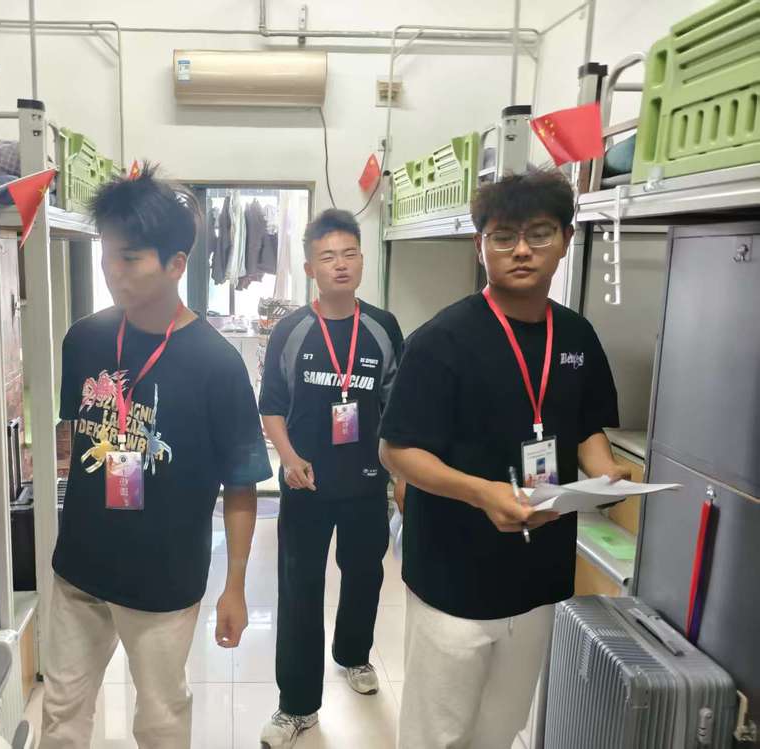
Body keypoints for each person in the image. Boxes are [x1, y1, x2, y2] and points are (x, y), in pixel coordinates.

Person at [379, 169, 631, 749]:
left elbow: (585, 426)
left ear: (566, 240)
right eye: (503, 236)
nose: (521, 250)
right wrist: (482, 492)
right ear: (480, 245)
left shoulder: (577, 336)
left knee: (502, 725)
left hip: (539, 573)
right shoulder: (441, 340)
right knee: (438, 733)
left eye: (539, 233)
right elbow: (398, 450)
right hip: (453, 577)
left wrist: (604, 473)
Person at [41, 165, 272, 749]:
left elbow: (240, 487)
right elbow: (77, 437)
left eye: (130, 258)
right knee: (62, 711)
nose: (112, 271)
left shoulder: (217, 364)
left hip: (164, 579)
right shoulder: (84, 339)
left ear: (176, 264)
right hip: (80, 569)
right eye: (107, 255)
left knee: (161, 717)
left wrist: (235, 585)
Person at [258, 209, 405, 748]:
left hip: (367, 482)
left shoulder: (383, 327)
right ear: (310, 268)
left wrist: (399, 476)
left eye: (348, 254)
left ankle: (354, 654)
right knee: (299, 588)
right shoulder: (292, 330)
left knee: (365, 574)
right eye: (327, 257)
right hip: (306, 484)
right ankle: (296, 705)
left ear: (362, 261)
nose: (339, 265)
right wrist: (289, 458)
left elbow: (396, 408)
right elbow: (271, 406)